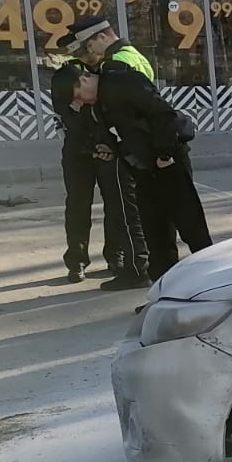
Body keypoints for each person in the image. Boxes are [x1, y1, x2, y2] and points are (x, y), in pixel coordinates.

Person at [72, 64, 211, 281]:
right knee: (155, 234)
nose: (80, 101)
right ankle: (163, 291)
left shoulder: (126, 82)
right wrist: (112, 151)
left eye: (78, 95)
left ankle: (213, 279)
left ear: (84, 80)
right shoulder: (99, 105)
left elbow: (164, 114)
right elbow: (126, 133)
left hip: (168, 162)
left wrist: (164, 155)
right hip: (144, 171)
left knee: (191, 227)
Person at [52, 59, 150, 290]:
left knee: (116, 204)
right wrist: (89, 144)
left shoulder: (98, 78)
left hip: (108, 148)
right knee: (77, 205)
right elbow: (68, 122)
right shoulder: (65, 83)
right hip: (78, 152)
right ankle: (76, 260)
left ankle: (116, 257)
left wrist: (107, 148)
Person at [65, 17, 154, 81]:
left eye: (90, 45)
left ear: (102, 37)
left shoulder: (114, 61)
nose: (90, 51)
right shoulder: (136, 55)